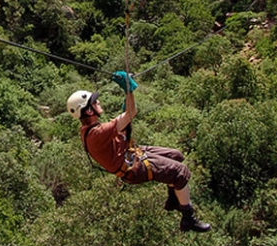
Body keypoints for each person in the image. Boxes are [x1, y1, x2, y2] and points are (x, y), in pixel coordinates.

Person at [67, 73, 211, 233]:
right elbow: (131, 113)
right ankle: (188, 218)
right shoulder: (96, 134)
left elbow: (123, 120)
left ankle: (173, 198)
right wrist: (129, 90)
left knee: (176, 155)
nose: (98, 102)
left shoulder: (91, 130)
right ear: (88, 111)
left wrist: (127, 97)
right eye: (94, 102)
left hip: (131, 155)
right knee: (180, 171)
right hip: (132, 167)